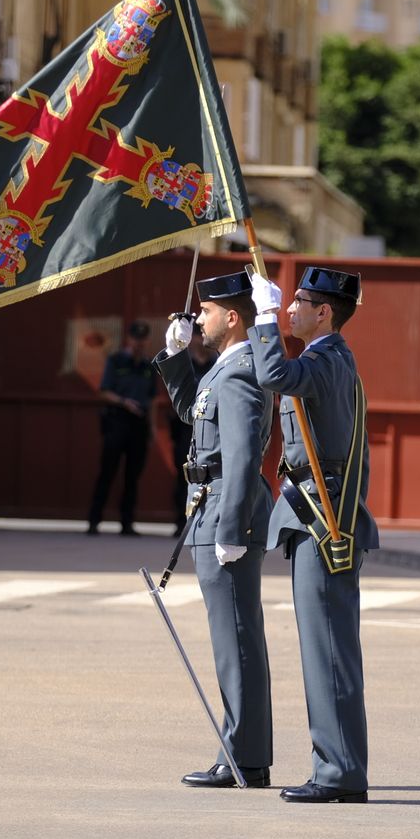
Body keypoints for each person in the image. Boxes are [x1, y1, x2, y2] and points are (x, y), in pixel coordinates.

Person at [247, 267, 378, 805]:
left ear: (325, 312)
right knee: (323, 646)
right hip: (313, 512)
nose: (288, 310)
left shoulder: (325, 360)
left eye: (297, 302)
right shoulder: (327, 359)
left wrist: (259, 321)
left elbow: (274, 376)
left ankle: (339, 772)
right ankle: (337, 766)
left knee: (327, 649)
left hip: (323, 518)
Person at [154, 273, 275, 790]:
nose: (196, 320)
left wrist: (233, 525)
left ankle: (244, 756)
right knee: (231, 634)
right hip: (211, 502)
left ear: (233, 317)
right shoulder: (222, 371)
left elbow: (246, 454)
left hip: (225, 505)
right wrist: (176, 356)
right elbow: (191, 411)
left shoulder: (242, 371)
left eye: (205, 313)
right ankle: (242, 749)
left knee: (236, 637)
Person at [86, 321, 157, 536]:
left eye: (142, 340)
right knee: (107, 472)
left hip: (139, 425)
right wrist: (124, 402)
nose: (139, 344)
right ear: (129, 340)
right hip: (117, 421)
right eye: (136, 339)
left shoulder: (148, 366)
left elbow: (152, 399)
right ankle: (94, 521)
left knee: (132, 476)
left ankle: (127, 523)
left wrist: (152, 428)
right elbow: (103, 391)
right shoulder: (116, 361)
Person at [166, 337, 218, 536]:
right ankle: (181, 522)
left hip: (210, 431)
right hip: (185, 430)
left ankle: (202, 522)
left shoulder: (218, 364)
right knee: (183, 477)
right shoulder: (187, 365)